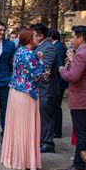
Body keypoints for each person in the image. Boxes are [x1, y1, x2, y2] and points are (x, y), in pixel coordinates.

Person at [1, 28, 44, 170]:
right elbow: (36, 75)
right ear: (30, 39)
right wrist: (42, 62)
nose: (38, 38)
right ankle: (23, 159)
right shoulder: (29, 54)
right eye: (36, 36)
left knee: (16, 126)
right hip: (26, 94)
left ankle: (14, 156)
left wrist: (37, 59)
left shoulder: (19, 51)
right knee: (25, 126)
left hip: (16, 92)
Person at [57, 25, 86, 170]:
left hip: (82, 99)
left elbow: (73, 76)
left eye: (73, 37)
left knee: (82, 134)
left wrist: (62, 69)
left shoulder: (81, 54)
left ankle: (79, 165)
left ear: (81, 38)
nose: (71, 39)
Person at [30, 23, 59, 153]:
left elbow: (44, 69)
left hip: (46, 89)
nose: (32, 37)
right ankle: (42, 140)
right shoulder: (40, 46)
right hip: (39, 89)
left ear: (41, 36)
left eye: (34, 35)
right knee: (41, 117)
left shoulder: (49, 48)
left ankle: (48, 143)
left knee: (46, 117)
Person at [49, 28, 68, 138]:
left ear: (51, 36)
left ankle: (57, 131)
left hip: (58, 82)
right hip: (58, 81)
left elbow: (60, 65)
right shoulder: (57, 46)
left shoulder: (58, 47)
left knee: (56, 106)